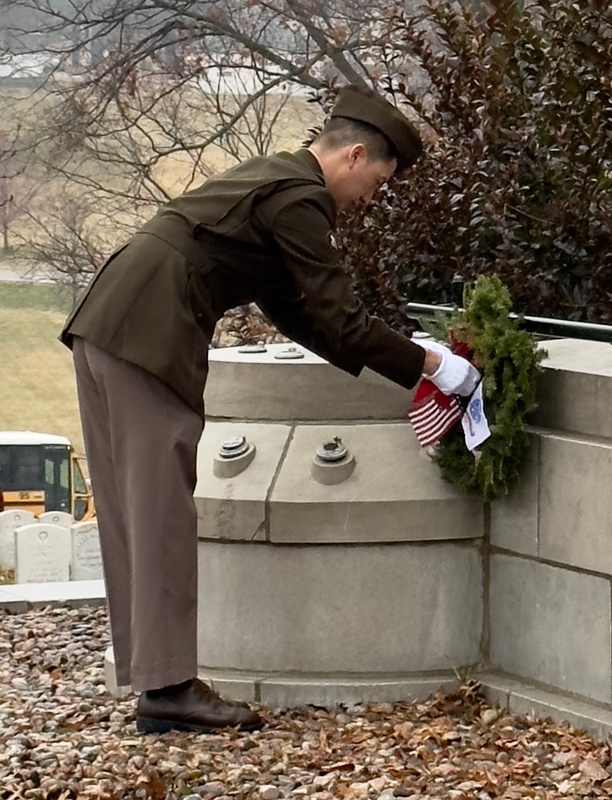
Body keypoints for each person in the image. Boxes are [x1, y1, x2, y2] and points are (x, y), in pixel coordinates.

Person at [59, 85, 479, 734]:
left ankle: (155, 680)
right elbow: (340, 320)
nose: (373, 198)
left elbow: (299, 314)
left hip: (107, 322)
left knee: (131, 512)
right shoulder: (302, 198)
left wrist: (396, 349)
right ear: (355, 154)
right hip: (150, 329)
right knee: (162, 511)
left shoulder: (276, 181)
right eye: (378, 181)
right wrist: (436, 366)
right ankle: (168, 689)